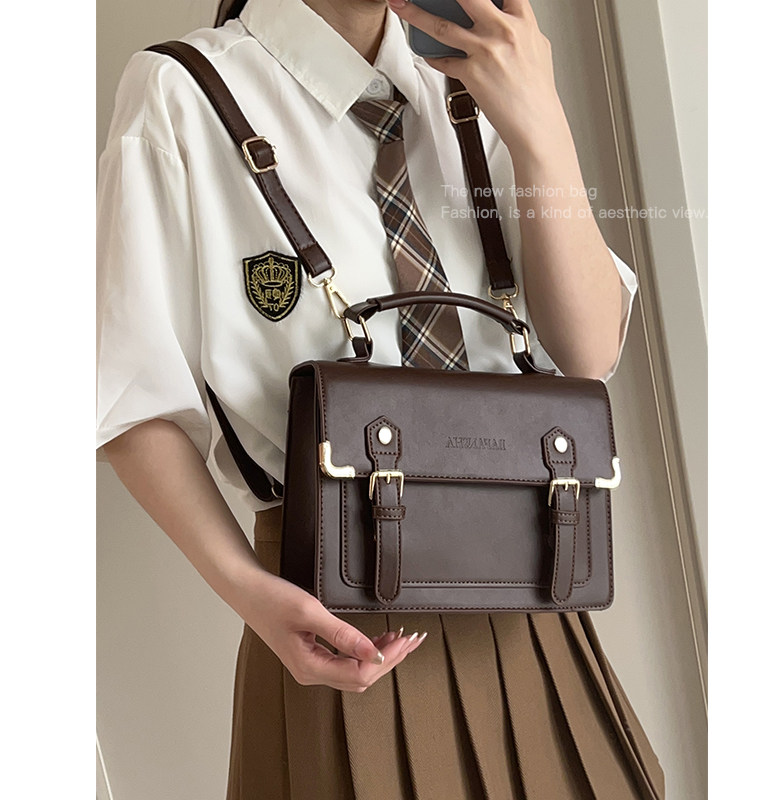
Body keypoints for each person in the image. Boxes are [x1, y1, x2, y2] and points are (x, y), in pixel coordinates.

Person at [97, 0, 665, 797]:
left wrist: (542, 127)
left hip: (537, 600)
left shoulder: (483, 81)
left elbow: (590, 349)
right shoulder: (181, 92)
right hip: (340, 618)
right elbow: (133, 394)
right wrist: (249, 592)